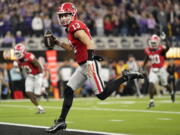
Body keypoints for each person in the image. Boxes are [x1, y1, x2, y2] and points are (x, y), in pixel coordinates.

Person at [45, 3, 143, 133]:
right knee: (69, 90)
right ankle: (61, 121)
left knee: (102, 95)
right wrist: (57, 42)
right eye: (61, 16)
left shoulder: (75, 25)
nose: (63, 18)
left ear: (72, 14)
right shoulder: (70, 28)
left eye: (65, 15)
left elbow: (90, 43)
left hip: (88, 63)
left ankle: (127, 76)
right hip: (83, 65)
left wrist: (91, 61)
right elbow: (71, 48)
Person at [142, 34, 175, 109]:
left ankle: (171, 92)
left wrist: (165, 39)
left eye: (154, 42)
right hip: (153, 69)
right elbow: (147, 58)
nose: (153, 44)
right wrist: (142, 67)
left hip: (161, 69)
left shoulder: (161, 50)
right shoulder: (148, 50)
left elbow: (168, 48)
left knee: (165, 84)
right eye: (152, 42)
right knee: (151, 83)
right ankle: (151, 101)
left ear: (158, 42)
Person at [13, 43, 45, 114]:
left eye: (18, 53)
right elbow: (21, 70)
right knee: (28, 92)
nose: (17, 55)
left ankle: (42, 91)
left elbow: (38, 65)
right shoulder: (18, 61)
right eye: (16, 53)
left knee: (37, 94)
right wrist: (17, 68)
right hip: (29, 76)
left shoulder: (29, 56)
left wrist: (39, 75)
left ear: (23, 51)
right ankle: (39, 108)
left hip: (37, 75)